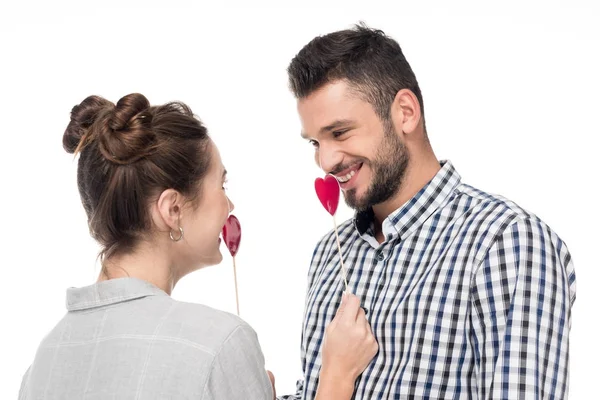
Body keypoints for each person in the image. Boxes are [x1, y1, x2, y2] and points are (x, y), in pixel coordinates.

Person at [281, 23, 577, 399]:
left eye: (340, 133)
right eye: (315, 142)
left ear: (405, 112)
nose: (325, 161)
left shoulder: (506, 243)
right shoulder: (329, 253)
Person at [18, 93, 378, 399]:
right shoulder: (219, 343)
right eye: (221, 185)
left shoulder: (43, 361)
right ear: (173, 208)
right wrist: (336, 378)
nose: (229, 205)